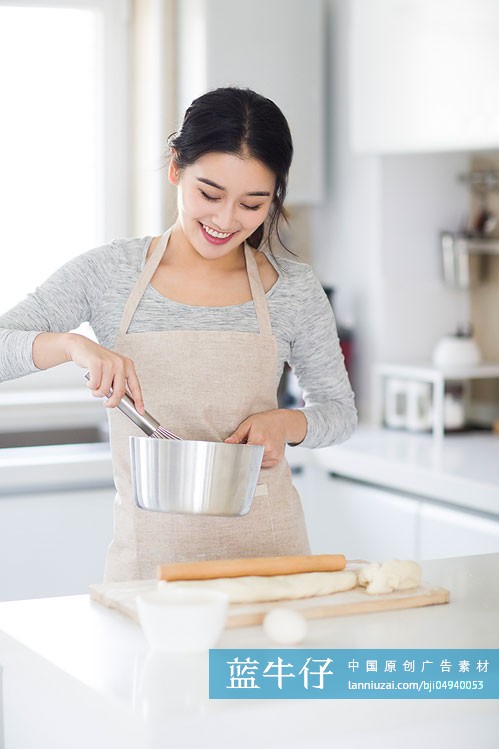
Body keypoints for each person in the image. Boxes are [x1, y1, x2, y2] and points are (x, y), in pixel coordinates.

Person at [0, 87, 357, 581]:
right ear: (176, 168)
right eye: (209, 194)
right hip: (152, 566)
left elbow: (339, 412)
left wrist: (286, 425)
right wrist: (71, 346)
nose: (226, 221)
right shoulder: (111, 273)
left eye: (253, 204)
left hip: (272, 562)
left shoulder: (292, 288)